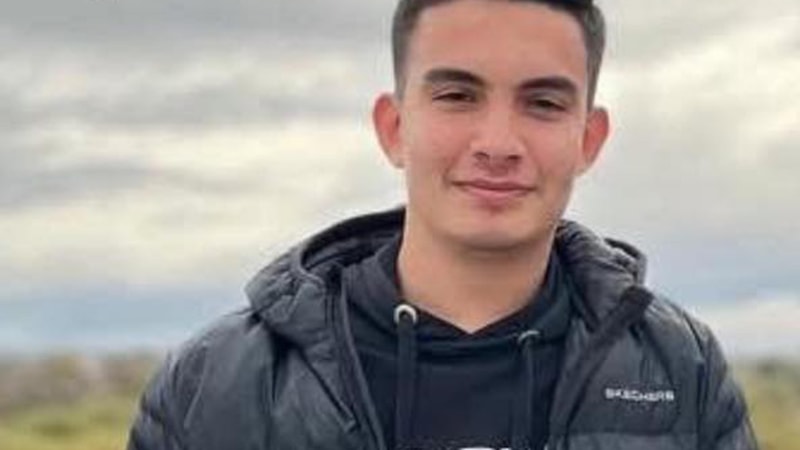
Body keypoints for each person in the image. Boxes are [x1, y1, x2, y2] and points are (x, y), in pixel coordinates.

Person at [128, 0, 758, 449]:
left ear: (589, 140)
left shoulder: (680, 370)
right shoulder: (216, 382)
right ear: (394, 127)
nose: (498, 143)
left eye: (543, 103)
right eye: (458, 96)